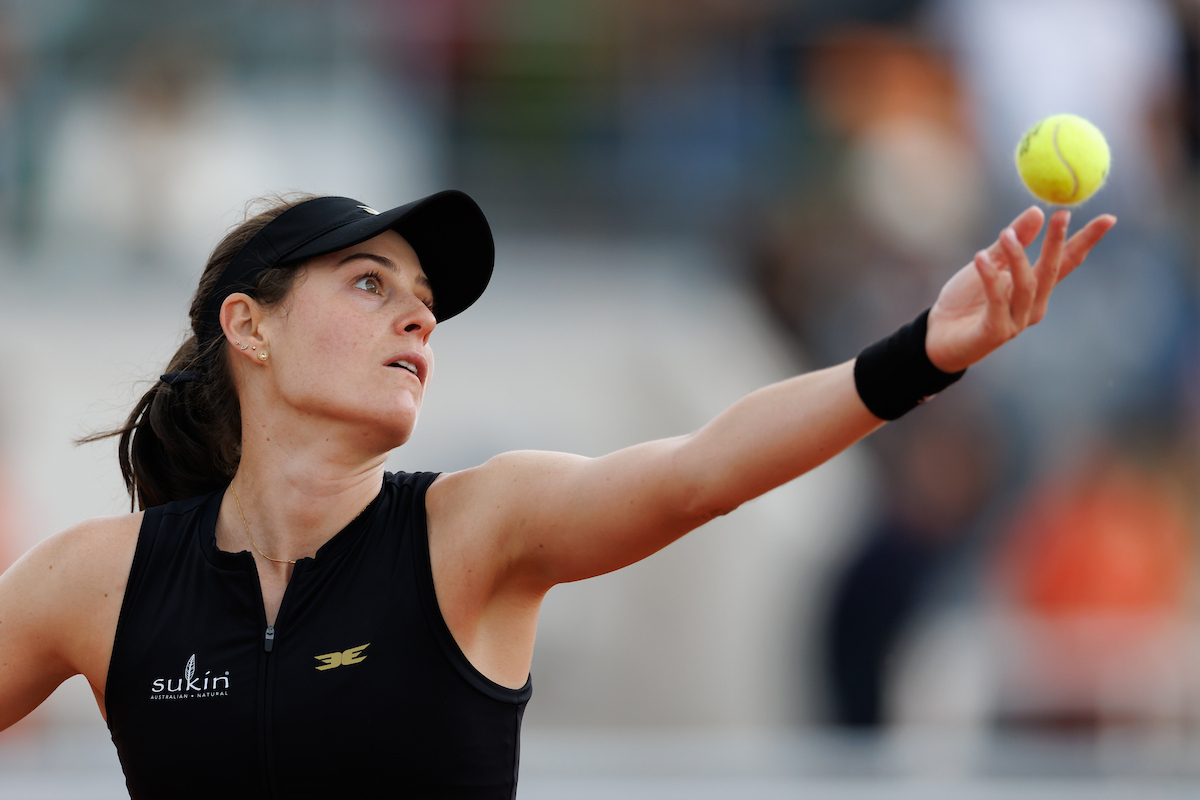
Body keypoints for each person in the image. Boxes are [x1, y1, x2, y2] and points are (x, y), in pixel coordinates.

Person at [0, 189, 1113, 798]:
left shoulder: (473, 531)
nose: (419, 317)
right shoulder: (103, 579)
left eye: (426, 299)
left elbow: (701, 469)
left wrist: (923, 352)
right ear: (250, 324)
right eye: (371, 282)